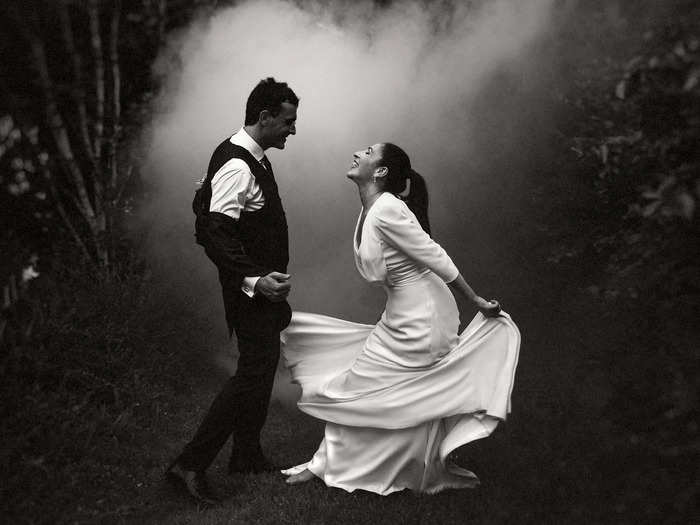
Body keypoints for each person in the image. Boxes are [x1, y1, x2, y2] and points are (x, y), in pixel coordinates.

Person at [280, 143, 520, 495]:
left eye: (367, 151)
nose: (358, 153)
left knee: (364, 387)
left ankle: (331, 465)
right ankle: (410, 467)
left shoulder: (388, 207)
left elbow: (433, 255)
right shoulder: (371, 207)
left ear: (379, 171)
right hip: (404, 311)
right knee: (398, 390)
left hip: (422, 317)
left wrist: (476, 300)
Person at [166, 78, 299, 505]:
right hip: (249, 290)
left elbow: (209, 211)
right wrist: (254, 279)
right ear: (264, 117)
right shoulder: (239, 163)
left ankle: (245, 452)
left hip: (259, 288)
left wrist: (203, 195)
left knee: (261, 366)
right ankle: (189, 464)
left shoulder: (247, 154)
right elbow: (213, 232)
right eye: (287, 121)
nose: (292, 130)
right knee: (251, 374)